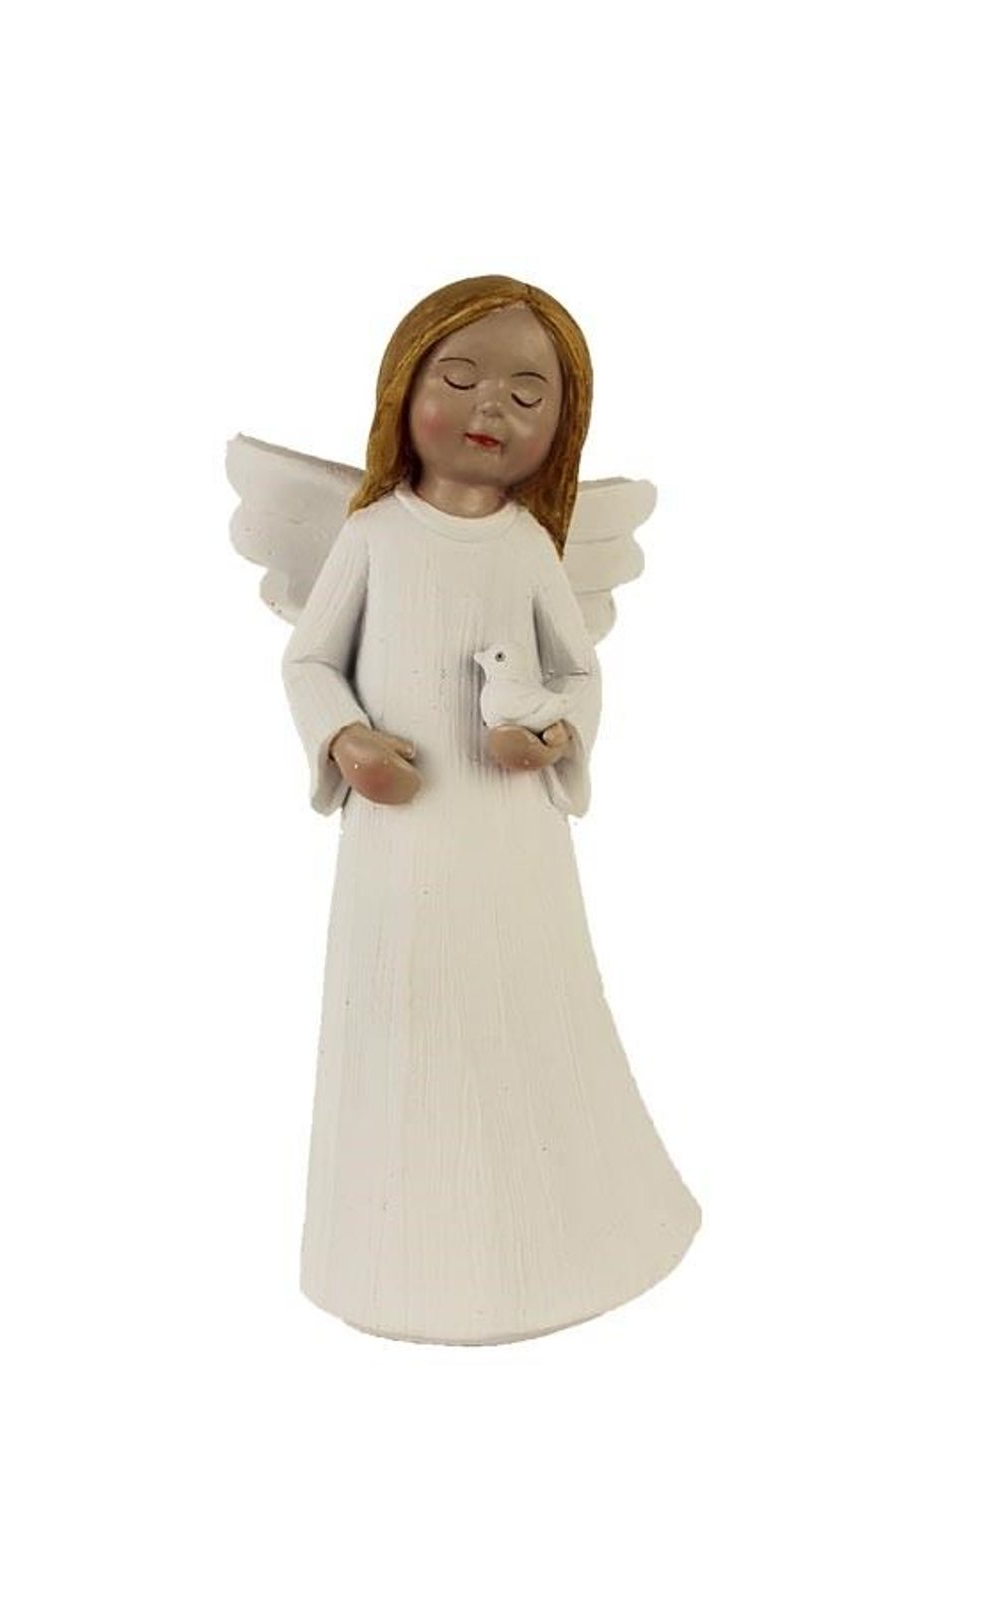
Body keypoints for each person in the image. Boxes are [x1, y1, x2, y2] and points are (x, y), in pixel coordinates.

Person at [281, 276, 699, 1344]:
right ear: (403, 389)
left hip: (511, 841)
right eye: (460, 378)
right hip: (401, 840)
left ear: (563, 425)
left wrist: (551, 736)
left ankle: (557, 1239)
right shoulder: (374, 535)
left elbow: (579, 669)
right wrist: (346, 740)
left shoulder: (523, 547)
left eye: (527, 395)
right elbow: (310, 659)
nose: (491, 409)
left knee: (521, 1003)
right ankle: (394, 1256)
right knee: (405, 1015)